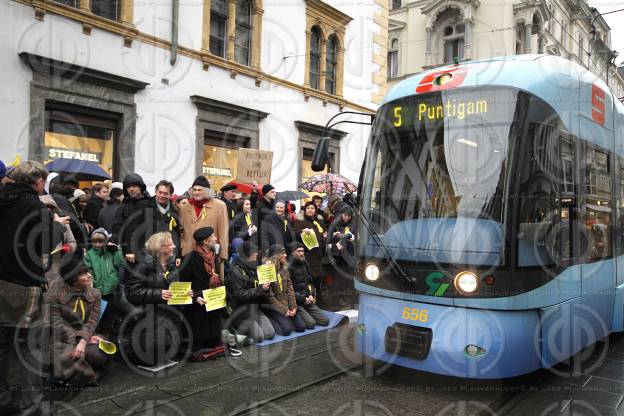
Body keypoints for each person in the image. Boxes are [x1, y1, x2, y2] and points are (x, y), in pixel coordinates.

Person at [0, 161, 67, 416]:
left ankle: (3, 399)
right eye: (43, 182)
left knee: (2, 346)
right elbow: (45, 242)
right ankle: (34, 405)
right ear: (37, 181)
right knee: (30, 347)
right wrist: (58, 224)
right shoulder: (33, 206)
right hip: (24, 285)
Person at [123, 232, 189, 366]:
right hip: (149, 317)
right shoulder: (143, 265)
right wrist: (159, 294)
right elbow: (132, 291)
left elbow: (174, 287)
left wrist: (188, 294)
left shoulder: (172, 263)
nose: (174, 246)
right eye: (170, 244)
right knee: (151, 358)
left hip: (170, 315)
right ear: (161, 248)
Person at [46, 258, 110, 386]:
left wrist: (83, 340)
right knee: (69, 356)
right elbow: (57, 323)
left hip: (86, 334)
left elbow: (92, 321)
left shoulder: (95, 294)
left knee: (100, 354)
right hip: (62, 337)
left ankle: (76, 376)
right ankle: (78, 376)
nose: (89, 276)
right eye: (84, 274)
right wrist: (78, 338)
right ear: (73, 278)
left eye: (88, 272)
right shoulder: (53, 295)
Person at [179, 227, 242, 358]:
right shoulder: (189, 259)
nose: (215, 239)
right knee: (200, 345)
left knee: (214, 341)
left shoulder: (214, 256)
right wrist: (195, 297)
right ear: (205, 241)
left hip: (213, 304)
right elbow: (183, 284)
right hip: (198, 308)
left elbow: (219, 277)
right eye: (212, 237)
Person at [225, 242, 274, 343]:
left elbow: (262, 289)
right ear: (248, 254)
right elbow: (239, 295)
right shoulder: (236, 272)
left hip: (254, 308)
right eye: (254, 252)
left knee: (270, 333)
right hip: (241, 311)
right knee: (259, 337)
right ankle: (236, 328)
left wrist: (268, 275)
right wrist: (260, 289)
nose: (257, 254)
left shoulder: (254, 267)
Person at [179, 176, 229, 269]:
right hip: (189, 254)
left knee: (210, 282)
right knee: (189, 282)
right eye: (194, 190)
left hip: (210, 255)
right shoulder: (185, 207)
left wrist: (222, 255)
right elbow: (181, 231)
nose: (196, 192)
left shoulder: (220, 206)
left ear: (206, 191)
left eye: (199, 190)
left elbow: (223, 232)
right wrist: (183, 248)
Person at [83, 228, 124, 335]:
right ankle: (99, 331)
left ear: (106, 241)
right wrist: (92, 284)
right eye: (95, 241)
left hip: (112, 287)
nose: (97, 244)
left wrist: (117, 250)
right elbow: (88, 270)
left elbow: (119, 263)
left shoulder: (111, 252)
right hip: (98, 289)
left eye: (100, 241)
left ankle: (111, 330)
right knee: (99, 312)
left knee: (113, 310)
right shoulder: (90, 254)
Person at [261, 244, 307, 335]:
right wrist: (284, 310)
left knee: (301, 327)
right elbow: (269, 297)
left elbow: (290, 290)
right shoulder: (266, 271)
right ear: (276, 256)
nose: (286, 255)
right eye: (283, 253)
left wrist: (293, 307)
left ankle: (286, 320)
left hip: (286, 304)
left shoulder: (284, 270)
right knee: (286, 330)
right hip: (274, 307)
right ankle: (273, 320)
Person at [111, 173, 151, 265]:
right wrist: (113, 240)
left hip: (150, 252)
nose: (131, 189)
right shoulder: (124, 207)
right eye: (128, 187)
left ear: (141, 187)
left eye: (134, 186)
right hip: (130, 255)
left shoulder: (150, 204)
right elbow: (119, 228)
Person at [287, 242, 329, 327]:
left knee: (325, 321)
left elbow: (310, 282)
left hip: (307, 298)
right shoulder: (288, 267)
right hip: (296, 302)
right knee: (311, 323)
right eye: (298, 251)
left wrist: (311, 295)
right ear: (292, 253)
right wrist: (302, 299)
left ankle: (306, 315)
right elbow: (288, 291)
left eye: (302, 251)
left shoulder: (304, 263)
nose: (301, 253)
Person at [144, 180, 182, 264]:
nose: (162, 195)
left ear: (170, 195)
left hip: (169, 253)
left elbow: (177, 233)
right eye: (160, 192)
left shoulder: (175, 211)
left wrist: (178, 254)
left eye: (165, 193)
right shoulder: (145, 207)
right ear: (155, 192)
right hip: (149, 252)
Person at [50, 174, 89, 255]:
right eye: (71, 186)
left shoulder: (52, 197)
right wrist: (83, 229)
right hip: (68, 244)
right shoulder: (61, 199)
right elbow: (72, 222)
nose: (73, 189)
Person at [294, 201, 327, 291]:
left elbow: (323, 232)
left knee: (318, 279)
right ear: (305, 210)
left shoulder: (318, 221)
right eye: (308, 208)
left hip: (319, 255)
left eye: (312, 208)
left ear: (315, 210)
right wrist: (302, 231)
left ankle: (318, 298)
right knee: (309, 278)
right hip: (308, 254)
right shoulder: (300, 221)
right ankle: (310, 297)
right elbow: (294, 235)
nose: (310, 210)